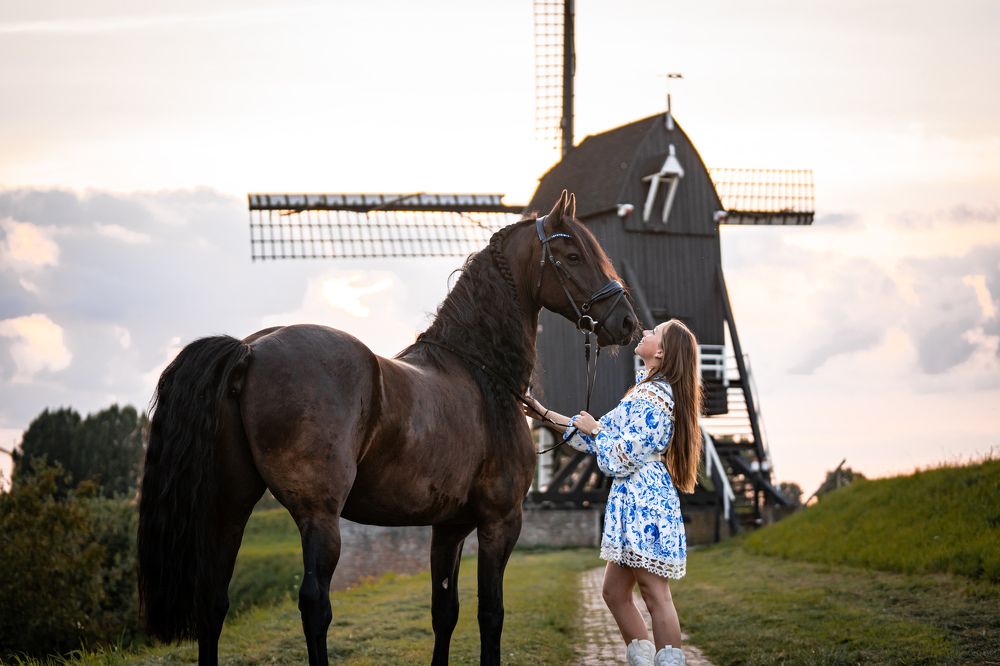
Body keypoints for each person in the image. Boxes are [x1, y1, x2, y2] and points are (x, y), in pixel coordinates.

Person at [525, 319, 703, 666]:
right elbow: (594, 434)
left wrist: (596, 431)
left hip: (645, 501)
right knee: (615, 592)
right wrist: (543, 413)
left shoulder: (655, 398)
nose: (645, 332)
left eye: (654, 332)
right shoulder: (644, 392)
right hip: (634, 500)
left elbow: (620, 456)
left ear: (662, 352)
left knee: (655, 594)